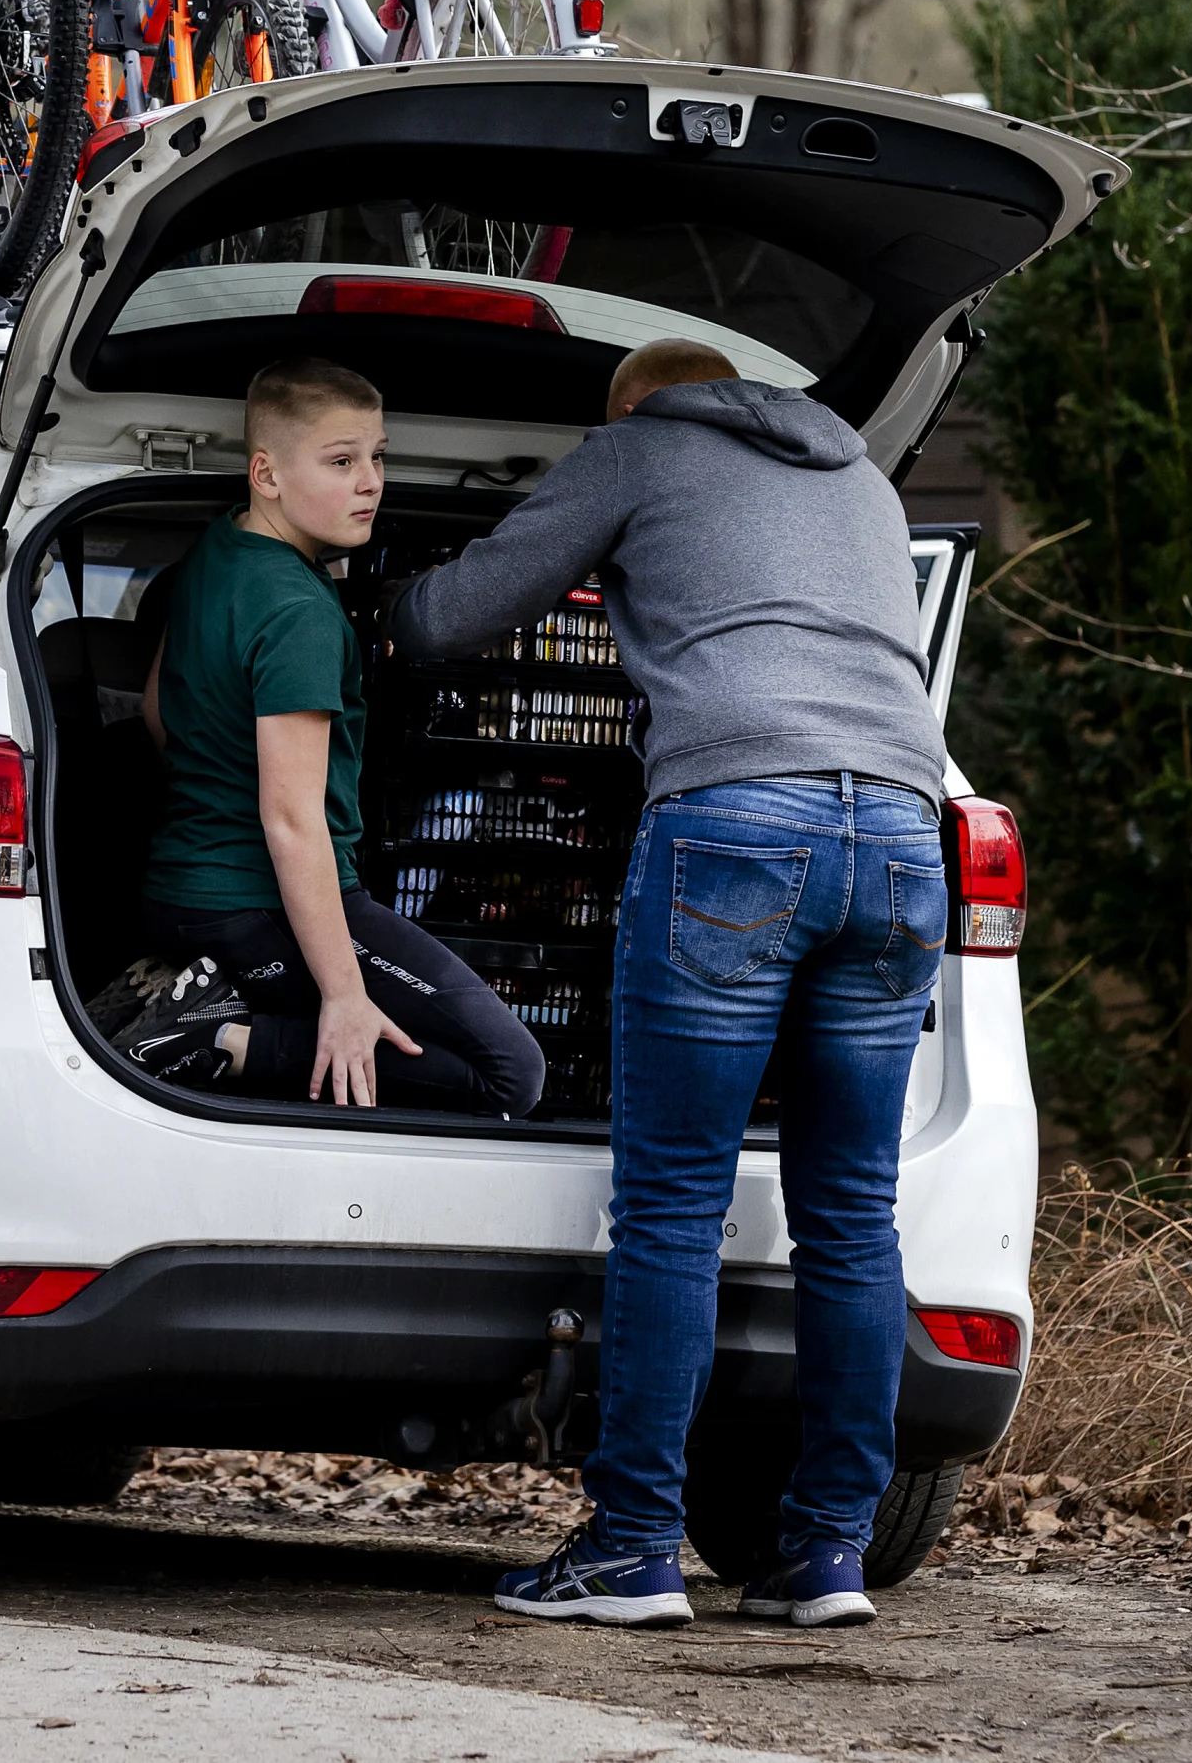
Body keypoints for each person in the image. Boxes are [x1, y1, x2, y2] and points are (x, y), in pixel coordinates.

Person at [392, 338, 950, 1632]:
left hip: (739, 823)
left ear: (637, 404)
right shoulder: (863, 474)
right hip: (907, 839)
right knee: (854, 1215)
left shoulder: (640, 444)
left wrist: (380, 588)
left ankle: (635, 1545)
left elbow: (447, 617)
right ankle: (823, 1555)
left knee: (674, 1204)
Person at [111, 356, 544, 1116]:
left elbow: (156, 710)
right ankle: (212, 1037)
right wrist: (342, 996)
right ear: (267, 473)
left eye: (378, 456)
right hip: (257, 903)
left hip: (179, 892)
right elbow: (292, 822)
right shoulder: (298, 613)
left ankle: (214, 1011)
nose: (371, 481)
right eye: (341, 462)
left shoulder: (215, 554)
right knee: (510, 1074)